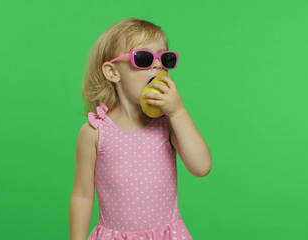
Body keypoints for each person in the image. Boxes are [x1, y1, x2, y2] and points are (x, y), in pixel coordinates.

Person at [69, 17, 212, 240]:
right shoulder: (95, 132)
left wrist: (178, 112)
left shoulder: (168, 123)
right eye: (143, 58)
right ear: (113, 72)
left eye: (165, 58)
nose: (157, 65)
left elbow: (201, 167)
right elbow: (82, 195)